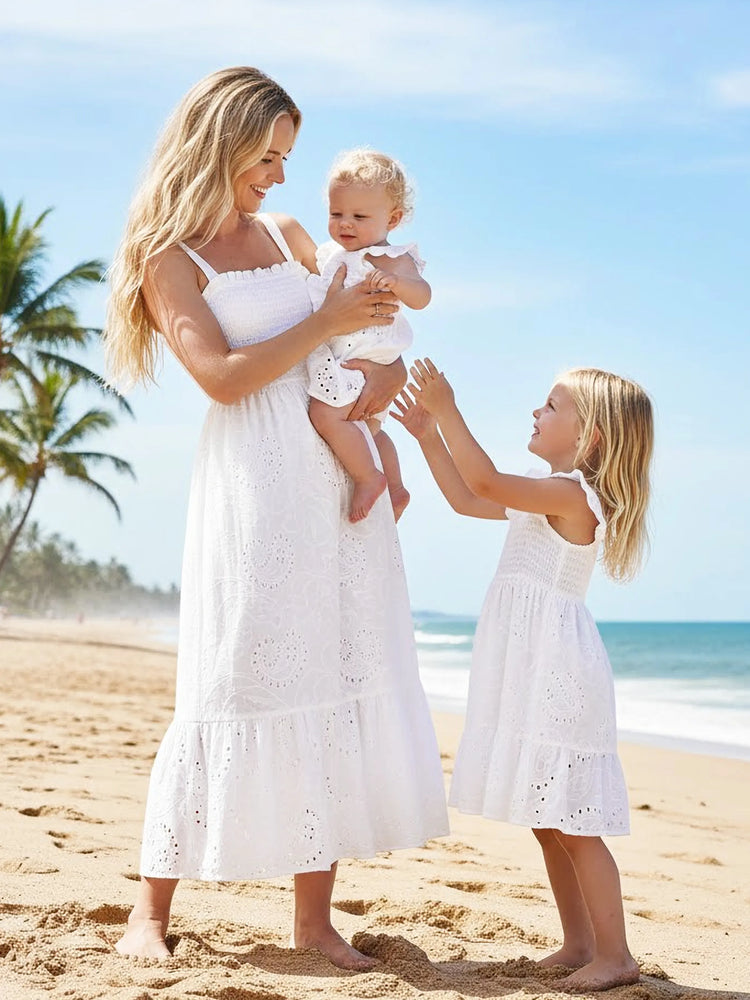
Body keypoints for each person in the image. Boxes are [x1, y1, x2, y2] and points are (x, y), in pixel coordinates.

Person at [104, 67, 448, 970]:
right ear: (219, 145)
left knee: (328, 676)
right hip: (253, 484)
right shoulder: (168, 259)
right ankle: (149, 909)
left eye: (287, 157)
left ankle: (313, 921)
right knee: (228, 676)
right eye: (267, 156)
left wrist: (375, 382)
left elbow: (360, 332)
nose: (280, 178)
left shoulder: (293, 235)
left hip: (334, 483)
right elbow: (219, 375)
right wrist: (323, 317)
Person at [392, 359, 653, 992]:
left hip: (559, 672)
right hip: (532, 667)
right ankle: (578, 942)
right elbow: (467, 496)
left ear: (588, 436)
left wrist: (449, 407)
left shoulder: (572, 497)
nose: (537, 412)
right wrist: (428, 435)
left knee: (575, 820)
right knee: (548, 815)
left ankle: (615, 955)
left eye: (551, 406)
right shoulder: (543, 489)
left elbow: (482, 475)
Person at [306, 149, 431, 523]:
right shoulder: (330, 254)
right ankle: (395, 487)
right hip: (355, 356)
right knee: (371, 429)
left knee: (326, 416)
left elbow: (423, 296)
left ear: (392, 218)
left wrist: (396, 283)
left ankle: (369, 477)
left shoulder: (389, 256)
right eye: (336, 213)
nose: (346, 224)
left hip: (366, 356)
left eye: (359, 217)